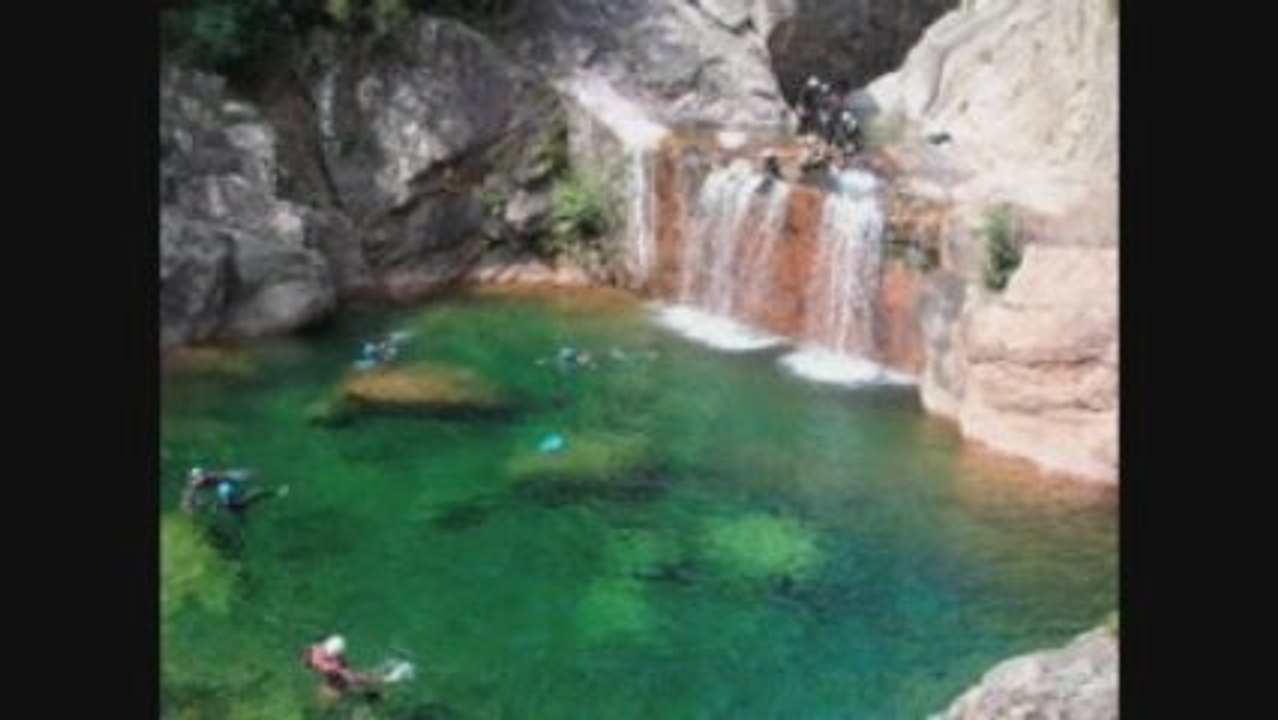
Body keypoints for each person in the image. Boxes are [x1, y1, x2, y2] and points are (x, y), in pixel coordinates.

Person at [301, 635, 392, 703]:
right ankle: (379, 686)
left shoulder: (316, 650)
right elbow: (352, 677)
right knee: (352, 685)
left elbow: (350, 676)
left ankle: (378, 687)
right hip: (334, 685)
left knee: (350, 685)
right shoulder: (330, 663)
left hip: (334, 685)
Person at [181, 467, 286, 518]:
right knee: (250, 497)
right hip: (225, 503)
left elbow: (229, 474)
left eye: (201, 476)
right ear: (192, 479)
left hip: (228, 500)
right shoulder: (191, 489)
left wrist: (245, 475)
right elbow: (185, 503)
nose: (200, 479)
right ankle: (277, 493)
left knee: (254, 494)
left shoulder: (211, 477)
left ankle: (277, 493)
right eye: (196, 478)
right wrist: (192, 510)